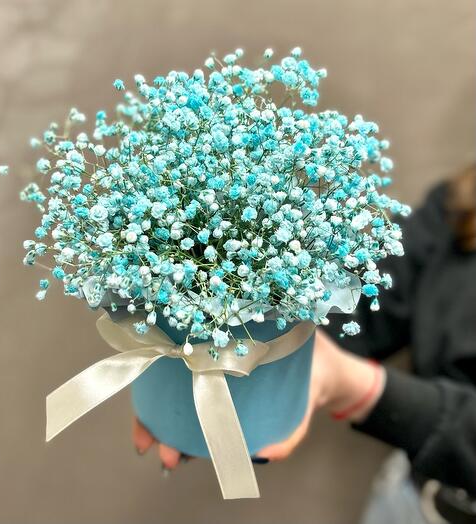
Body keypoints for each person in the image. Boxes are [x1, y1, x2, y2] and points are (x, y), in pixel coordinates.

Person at [132, 166, 476, 522]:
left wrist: (355, 385)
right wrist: (250, 326)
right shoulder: (462, 202)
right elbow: (366, 304)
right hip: (407, 500)